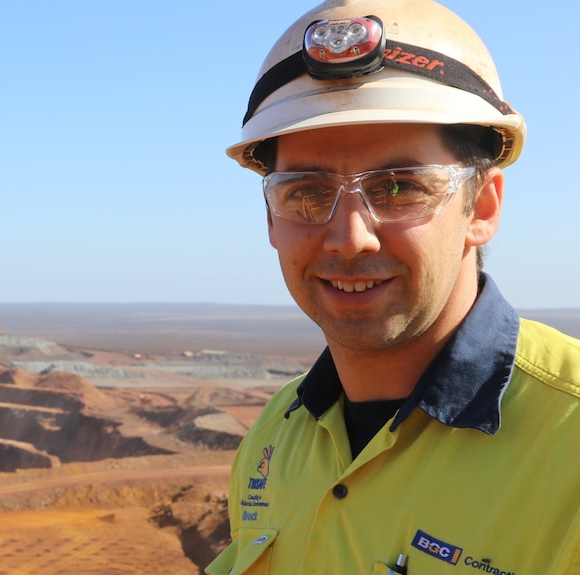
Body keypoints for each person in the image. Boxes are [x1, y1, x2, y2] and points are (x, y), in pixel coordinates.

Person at [206, 1, 580, 574]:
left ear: (481, 206)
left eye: (399, 188)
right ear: (271, 221)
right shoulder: (275, 438)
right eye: (305, 192)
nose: (349, 238)